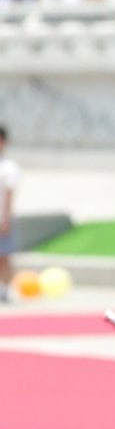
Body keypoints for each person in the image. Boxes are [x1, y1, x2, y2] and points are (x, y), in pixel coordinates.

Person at [0, 124, 17, 300]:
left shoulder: (8, 167)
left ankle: (6, 289)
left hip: (3, 218)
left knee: (4, 256)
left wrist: (6, 218)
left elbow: (10, 193)